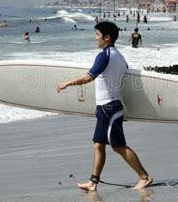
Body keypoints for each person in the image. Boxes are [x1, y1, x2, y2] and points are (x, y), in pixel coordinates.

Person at [57, 21, 152, 192]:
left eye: (97, 35)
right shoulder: (121, 57)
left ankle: (144, 177)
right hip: (108, 107)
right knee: (99, 144)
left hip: (109, 107)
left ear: (107, 37)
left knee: (118, 146)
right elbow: (126, 82)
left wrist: (67, 83)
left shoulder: (104, 55)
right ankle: (93, 183)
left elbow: (88, 77)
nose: (95, 39)